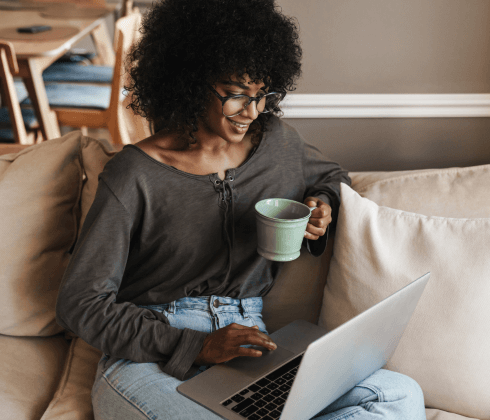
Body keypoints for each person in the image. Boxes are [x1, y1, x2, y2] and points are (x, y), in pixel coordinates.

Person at [55, 0, 426, 418]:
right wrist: (194, 345)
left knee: (397, 395)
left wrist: (322, 204)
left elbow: (332, 175)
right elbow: (80, 302)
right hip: (148, 357)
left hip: (250, 346)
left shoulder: (278, 145)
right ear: (192, 83)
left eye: (263, 95)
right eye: (235, 95)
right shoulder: (134, 175)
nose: (251, 112)